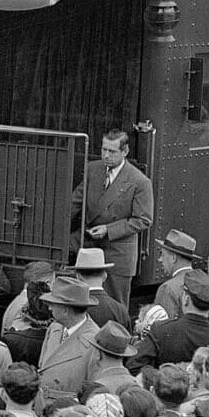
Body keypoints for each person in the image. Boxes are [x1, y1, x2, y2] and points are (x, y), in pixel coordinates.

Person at [76, 129, 153, 305]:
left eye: (112, 151)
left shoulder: (139, 181)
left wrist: (108, 230)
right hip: (90, 248)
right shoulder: (93, 169)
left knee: (115, 307)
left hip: (118, 255)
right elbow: (76, 200)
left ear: (125, 152)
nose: (106, 155)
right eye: (104, 150)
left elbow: (144, 220)